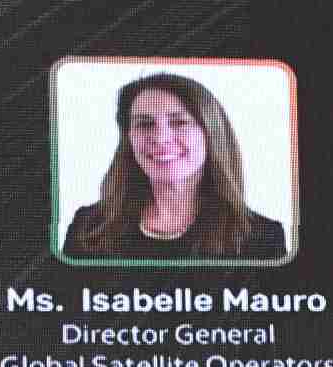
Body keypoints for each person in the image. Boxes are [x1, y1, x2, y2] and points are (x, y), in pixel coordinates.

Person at [61, 70, 287, 260]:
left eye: (179, 122)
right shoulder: (88, 227)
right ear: (128, 139)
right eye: (145, 124)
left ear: (211, 134)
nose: (161, 138)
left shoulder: (262, 238)